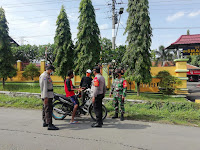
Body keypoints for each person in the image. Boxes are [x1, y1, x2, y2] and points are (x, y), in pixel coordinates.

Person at [39, 65, 59, 130]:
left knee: (45, 108)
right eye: (52, 71)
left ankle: (45, 122)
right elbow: (44, 87)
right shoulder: (44, 76)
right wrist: (45, 97)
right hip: (47, 95)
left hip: (49, 95)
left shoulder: (47, 75)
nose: (52, 72)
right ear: (50, 70)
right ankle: (50, 124)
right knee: (48, 110)